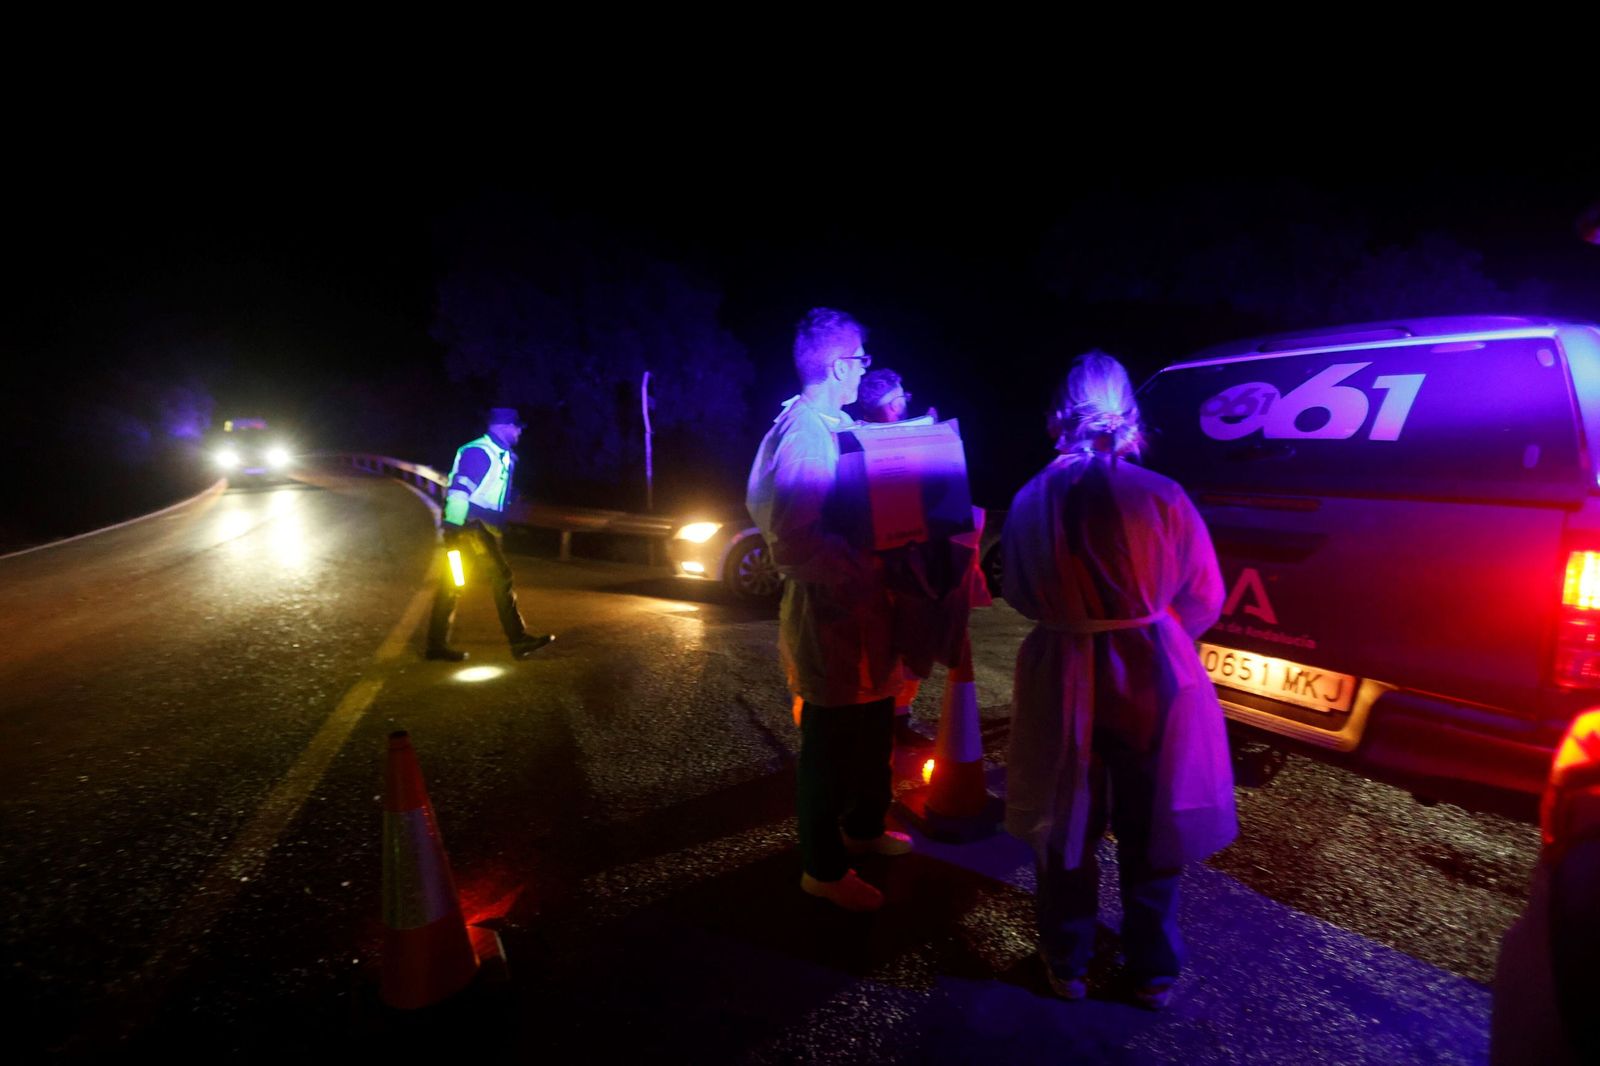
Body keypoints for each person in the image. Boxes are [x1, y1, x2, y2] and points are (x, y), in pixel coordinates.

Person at [1002, 351, 1236, 1008]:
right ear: (1129, 416)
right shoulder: (1161, 495)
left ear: (1059, 416)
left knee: (1065, 818)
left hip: (1064, 674)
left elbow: (1020, 592)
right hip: (1153, 678)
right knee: (1152, 821)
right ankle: (1152, 968)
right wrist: (1153, 629)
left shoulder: (1029, 499)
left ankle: (1067, 958)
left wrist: (1077, 618)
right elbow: (1205, 594)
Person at [746, 308, 911, 913]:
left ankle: (863, 829)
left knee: (870, 727)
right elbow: (792, 539)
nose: (864, 368)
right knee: (829, 740)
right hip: (831, 612)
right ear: (841, 366)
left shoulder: (834, 423)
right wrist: (860, 569)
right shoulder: (805, 432)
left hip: (861, 611)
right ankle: (822, 865)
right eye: (861, 359)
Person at [850, 367, 941, 750]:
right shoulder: (851, 437)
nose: (905, 405)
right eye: (899, 399)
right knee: (872, 646)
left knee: (910, 640)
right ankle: (870, 718)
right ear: (882, 405)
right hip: (870, 560)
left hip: (907, 553)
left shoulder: (903, 432)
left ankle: (901, 716)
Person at [425, 407, 554, 662]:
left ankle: (435, 647)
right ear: (503, 426)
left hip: (473, 528)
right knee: (500, 577)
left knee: (452, 585)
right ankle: (518, 641)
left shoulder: (500, 454)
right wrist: (452, 528)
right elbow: (460, 490)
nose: (519, 432)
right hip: (470, 528)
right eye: (516, 427)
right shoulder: (480, 452)